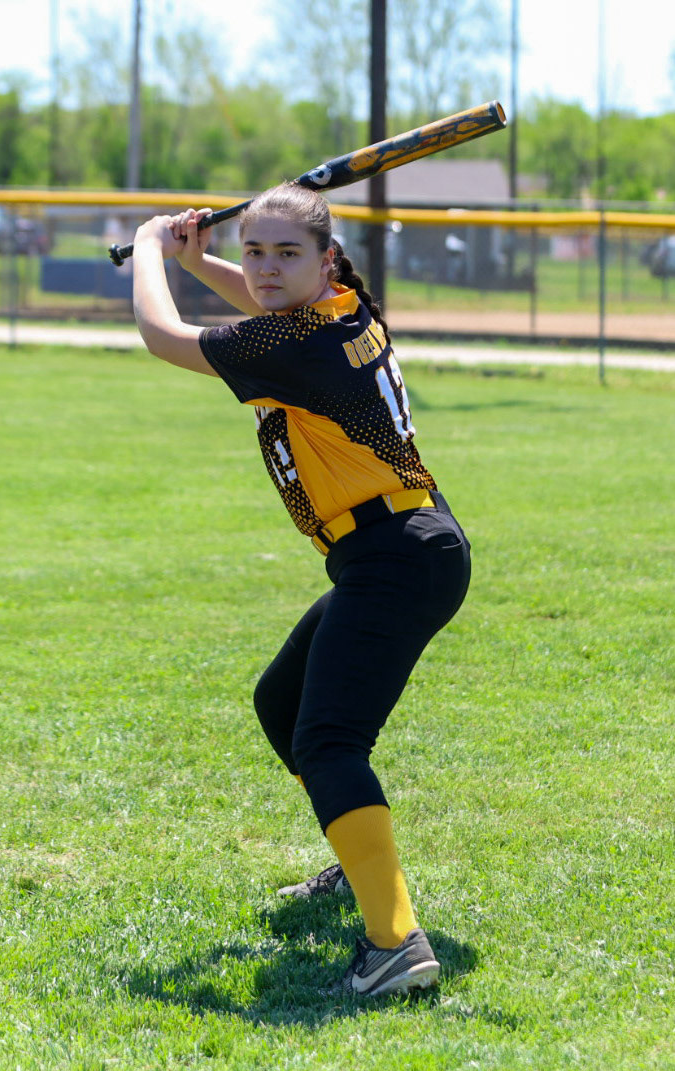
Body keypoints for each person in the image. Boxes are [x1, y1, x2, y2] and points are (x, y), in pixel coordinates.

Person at [132, 183, 471, 997]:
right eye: (253, 251)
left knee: (328, 740)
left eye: (287, 253)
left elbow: (161, 335)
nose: (265, 268)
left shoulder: (296, 345)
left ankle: (394, 944)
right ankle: (357, 863)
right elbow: (267, 305)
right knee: (282, 704)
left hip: (394, 555)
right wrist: (198, 260)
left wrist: (148, 249)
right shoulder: (338, 312)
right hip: (402, 547)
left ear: (326, 262)